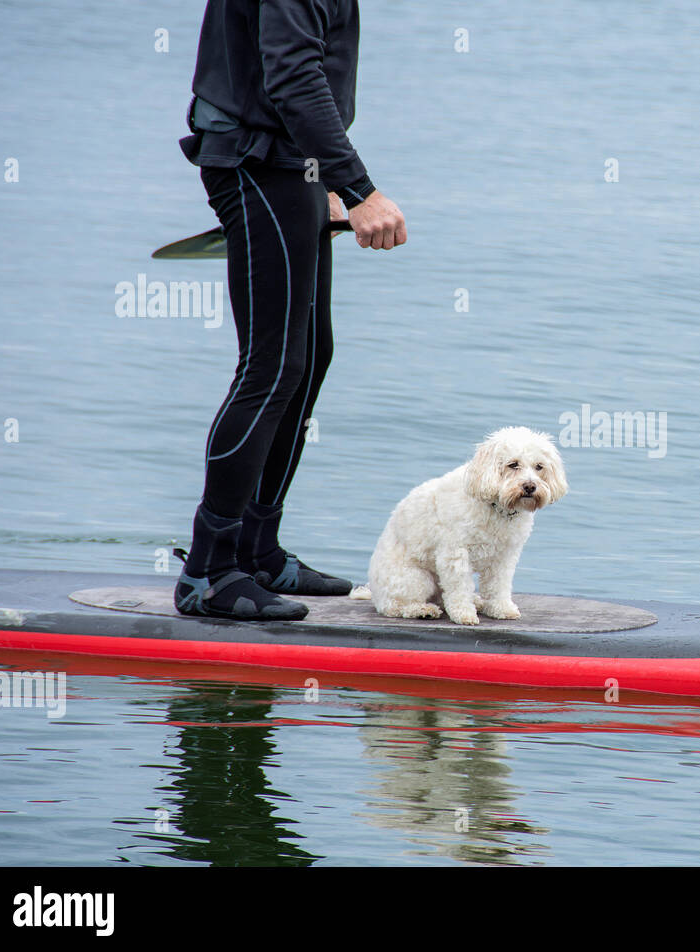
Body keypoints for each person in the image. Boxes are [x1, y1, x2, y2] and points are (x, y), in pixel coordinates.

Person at [173, 0, 406, 620]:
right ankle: (209, 572)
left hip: (291, 164)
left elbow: (305, 69)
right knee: (271, 366)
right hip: (254, 161)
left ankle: (256, 549)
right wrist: (357, 188)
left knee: (310, 355)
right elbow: (291, 73)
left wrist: (326, 181)